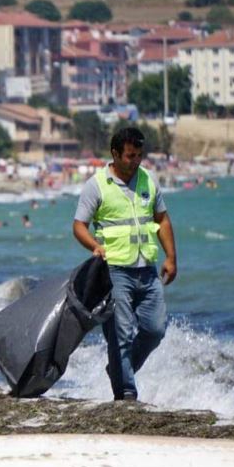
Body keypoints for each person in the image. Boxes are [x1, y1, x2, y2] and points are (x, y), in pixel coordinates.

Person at [72, 127, 177, 402]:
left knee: (155, 330)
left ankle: (119, 370)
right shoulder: (97, 185)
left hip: (147, 270)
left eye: (139, 155)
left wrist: (171, 258)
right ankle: (126, 392)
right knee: (121, 334)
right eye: (130, 156)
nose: (135, 161)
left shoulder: (149, 180)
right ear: (115, 153)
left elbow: (162, 220)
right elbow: (79, 226)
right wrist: (95, 245)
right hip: (114, 271)